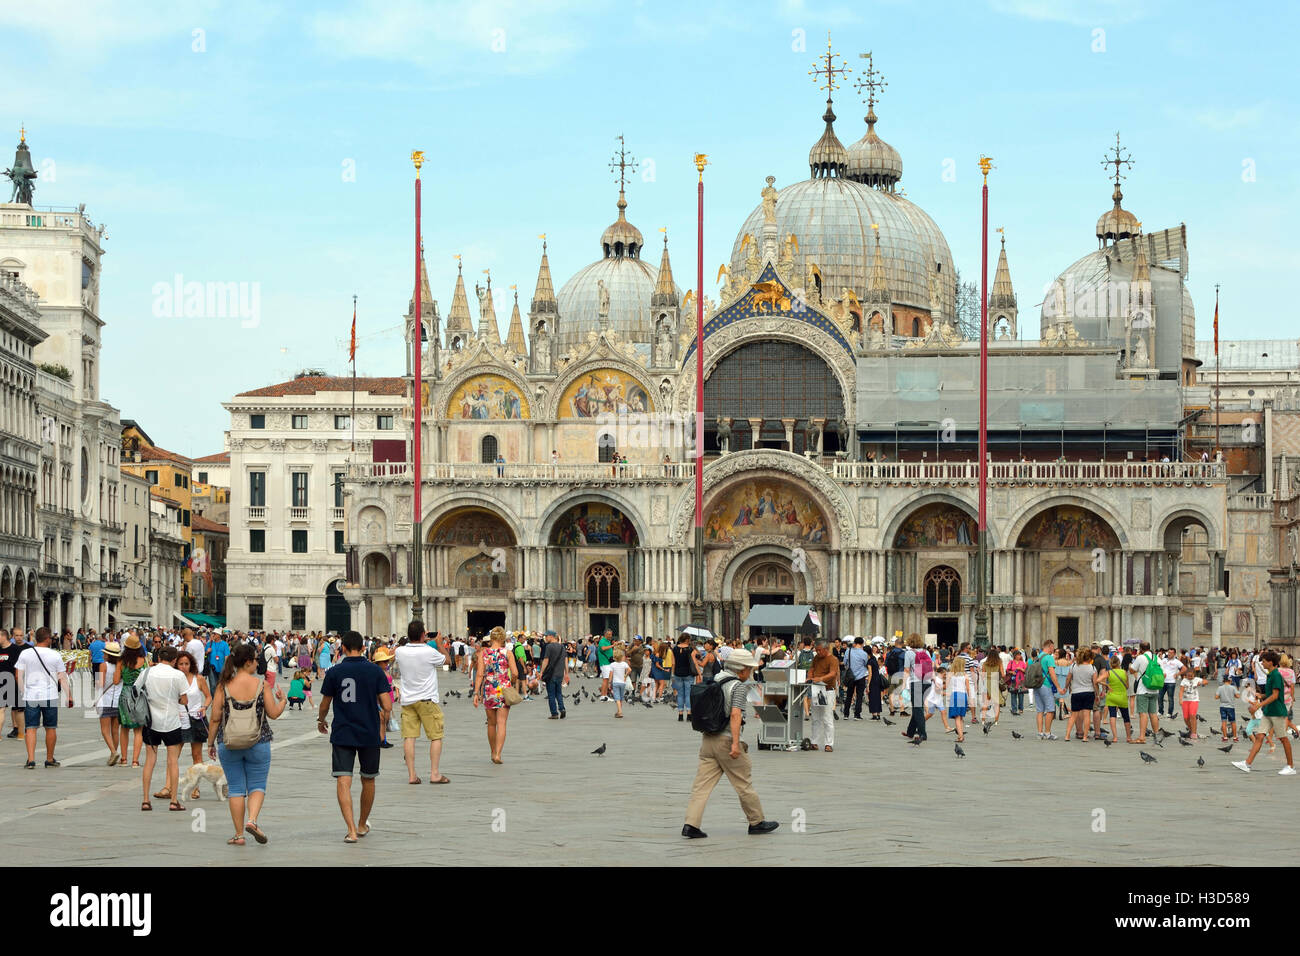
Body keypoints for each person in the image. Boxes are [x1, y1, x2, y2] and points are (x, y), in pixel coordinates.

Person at [681, 649, 779, 838]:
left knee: (701, 787)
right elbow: (735, 714)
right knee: (743, 783)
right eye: (749, 668)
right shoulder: (738, 687)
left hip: (708, 739)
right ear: (741, 669)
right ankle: (756, 821)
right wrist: (736, 743)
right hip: (727, 740)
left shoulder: (716, 679)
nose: (750, 672)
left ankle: (690, 824)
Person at [318, 630, 393, 843]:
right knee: (368, 779)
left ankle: (350, 830)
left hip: (343, 731)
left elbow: (325, 704)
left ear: (342, 648)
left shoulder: (334, 672)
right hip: (369, 732)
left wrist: (320, 720)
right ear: (362, 648)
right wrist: (383, 720)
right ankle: (361, 824)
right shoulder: (375, 672)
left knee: (343, 780)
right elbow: (387, 704)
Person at [209, 644, 287, 846]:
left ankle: (239, 834)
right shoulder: (262, 685)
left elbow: (215, 718)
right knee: (257, 785)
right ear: (248, 662)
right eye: (255, 659)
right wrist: (283, 701)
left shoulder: (223, 685)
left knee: (235, 788)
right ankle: (252, 821)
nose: (257, 662)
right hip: (259, 741)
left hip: (229, 742)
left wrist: (210, 743)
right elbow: (274, 713)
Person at [394, 620, 450, 784]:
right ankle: (434, 774)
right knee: (435, 736)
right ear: (423, 634)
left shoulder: (400, 652)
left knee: (409, 737)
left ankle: (412, 775)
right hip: (427, 700)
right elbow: (448, 661)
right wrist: (439, 644)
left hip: (408, 700)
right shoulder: (428, 651)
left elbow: (399, 651)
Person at [140, 645, 190, 812]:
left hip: (150, 722)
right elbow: (184, 700)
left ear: (159, 657)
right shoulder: (178, 675)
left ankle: (146, 800)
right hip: (171, 722)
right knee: (172, 761)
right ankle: (174, 800)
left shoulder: (147, 672)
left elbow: (135, 690)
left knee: (149, 760)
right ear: (175, 660)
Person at [15, 627, 71, 769]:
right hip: (49, 696)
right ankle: (49, 758)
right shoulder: (55, 655)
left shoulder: (25, 653)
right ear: (47, 639)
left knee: (31, 728)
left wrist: (23, 691)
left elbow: (18, 675)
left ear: (36, 638)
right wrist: (69, 695)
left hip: (31, 696)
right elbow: (62, 677)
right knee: (50, 728)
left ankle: (31, 760)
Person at [1233, 650, 1296, 775]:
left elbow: (1275, 695)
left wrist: (1258, 705)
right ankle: (1247, 763)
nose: (1262, 663)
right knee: (1260, 736)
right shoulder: (1270, 674)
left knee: (1283, 739)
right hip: (1268, 712)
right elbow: (1269, 694)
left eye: (1264, 661)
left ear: (1271, 662)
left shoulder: (1276, 675)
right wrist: (1259, 695)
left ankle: (1290, 766)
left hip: (1277, 712)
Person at [473, 625, 519, 764]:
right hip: (503, 690)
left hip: (489, 690)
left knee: (491, 724)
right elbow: (516, 673)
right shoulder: (507, 653)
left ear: (491, 638)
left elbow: (480, 674)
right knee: (502, 723)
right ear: (503, 638)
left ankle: (492, 751)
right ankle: (498, 754)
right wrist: (510, 681)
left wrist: (476, 693)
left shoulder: (484, 653)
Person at [174, 651, 212, 799]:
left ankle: (196, 788)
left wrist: (205, 707)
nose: (184, 667)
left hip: (196, 719)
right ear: (176, 665)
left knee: (197, 755)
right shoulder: (174, 679)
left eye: (186, 664)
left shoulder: (199, 679)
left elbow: (209, 696)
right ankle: (170, 786)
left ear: (191, 665)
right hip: (179, 719)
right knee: (174, 754)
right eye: (181, 664)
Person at [806, 641, 839, 751]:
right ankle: (814, 742)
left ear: (826, 649)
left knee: (827, 717)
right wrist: (810, 676)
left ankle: (828, 743)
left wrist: (820, 678)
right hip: (816, 689)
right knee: (815, 717)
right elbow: (811, 669)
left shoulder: (833, 659)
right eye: (816, 650)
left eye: (820, 650)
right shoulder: (816, 658)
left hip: (828, 690)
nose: (818, 652)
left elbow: (833, 673)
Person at [1128, 641, 1162, 743]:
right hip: (1155, 689)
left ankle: (1142, 737)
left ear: (1141, 649)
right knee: (1153, 713)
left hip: (1143, 689)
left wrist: (1131, 664)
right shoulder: (1157, 658)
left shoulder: (1140, 658)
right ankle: (1157, 736)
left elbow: (1132, 670)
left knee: (1143, 714)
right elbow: (1163, 673)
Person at [903, 633, 934, 742]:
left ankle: (922, 733)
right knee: (918, 708)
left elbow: (907, 670)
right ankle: (910, 731)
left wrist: (903, 685)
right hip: (927, 682)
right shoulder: (926, 652)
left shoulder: (909, 653)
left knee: (917, 708)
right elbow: (931, 667)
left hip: (916, 682)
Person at [1063, 648, 1096, 742]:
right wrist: (1097, 694)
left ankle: (1067, 735)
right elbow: (1095, 683)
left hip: (1076, 692)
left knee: (1073, 715)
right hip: (1089, 692)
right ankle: (1085, 737)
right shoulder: (1092, 668)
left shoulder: (1073, 666)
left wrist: (1066, 687)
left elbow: (1068, 678)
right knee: (1087, 716)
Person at [1031, 640, 1061, 740]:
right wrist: (1058, 686)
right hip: (1046, 685)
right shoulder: (1049, 658)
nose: (1054, 649)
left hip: (1037, 684)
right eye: (1053, 647)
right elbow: (1052, 674)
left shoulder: (1037, 657)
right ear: (1050, 646)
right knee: (1050, 710)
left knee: (1040, 710)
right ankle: (1047, 732)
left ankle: (1040, 733)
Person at [1104, 653, 1133, 743]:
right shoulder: (1124, 672)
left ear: (1110, 664)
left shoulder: (1108, 672)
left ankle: (1115, 737)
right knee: (1126, 717)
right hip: (1122, 697)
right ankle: (1128, 737)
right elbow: (1127, 686)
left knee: (1112, 716)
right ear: (1119, 663)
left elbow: (1098, 680)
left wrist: (1107, 685)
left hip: (1112, 696)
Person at [540, 630, 568, 719]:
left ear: (551, 636)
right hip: (560, 674)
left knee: (551, 694)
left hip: (551, 674)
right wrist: (566, 673)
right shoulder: (562, 647)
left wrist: (541, 672)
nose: (545, 638)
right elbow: (565, 660)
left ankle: (554, 713)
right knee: (558, 693)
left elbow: (546, 660)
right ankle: (562, 708)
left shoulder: (549, 647)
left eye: (546, 636)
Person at [842, 637, 870, 720]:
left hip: (851, 676)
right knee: (859, 695)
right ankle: (857, 714)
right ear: (862, 644)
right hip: (861, 676)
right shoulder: (864, 653)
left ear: (855, 643)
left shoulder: (848, 651)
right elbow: (865, 663)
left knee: (849, 695)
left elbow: (845, 662)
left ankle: (846, 714)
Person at [671, 633, 696, 721]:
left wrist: (673, 674)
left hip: (678, 673)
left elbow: (673, 663)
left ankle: (680, 714)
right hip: (688, 673)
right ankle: (689, 714)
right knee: (688, 694)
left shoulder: (675, 648)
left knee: (680, 695)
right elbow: (694, 662)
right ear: (687, 640)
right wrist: (699, 673)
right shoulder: (690, 649)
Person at [1177, 667, 1206, 739]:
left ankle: (1194, 733)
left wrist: (1201, 683)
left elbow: (1206, 681)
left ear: (1194, 675)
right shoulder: (1184, 680)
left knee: (1192, 715)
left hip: (1194, 700)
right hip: (1185, 701)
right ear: (1186, 675)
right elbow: (1181, 691)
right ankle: (1191, 730)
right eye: (1188, 675)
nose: (1190, 677)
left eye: (1191, 676)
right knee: (1186, 718)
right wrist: (1180, 699)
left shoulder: (1197, 679)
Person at [608, 648, 631, 718]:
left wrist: (609, 683)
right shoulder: (624, 664)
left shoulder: (612, 664)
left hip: (615, 682)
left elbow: (611, 674)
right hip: (622, 683)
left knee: (617, 698)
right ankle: (618, 711)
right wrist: (625, 676)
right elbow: (629, 670)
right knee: (620, 698)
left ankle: (620, 712)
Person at [1006, 649, 1027, 716]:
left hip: (1021, 681)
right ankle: (1014, 709)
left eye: (1020, 655)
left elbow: (1026, 671)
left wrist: (1020, 669)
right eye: (1018, 655)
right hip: (1013, 681)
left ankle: (1021, 708)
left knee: (1021, 695)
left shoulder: (1022, 663)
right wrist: (1012, 672)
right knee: (1013, 695)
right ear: (1015, 656)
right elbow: (1007, 670)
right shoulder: (1011, 662)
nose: (1019, 656)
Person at [597, 629, 615, 700]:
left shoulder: (607, 641)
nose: (610, 636)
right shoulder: (602, 641)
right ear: (605, 634)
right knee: (605, 679)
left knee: (607, 679)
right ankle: (603, 695)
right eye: (609, 634)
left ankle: (605, 695)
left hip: (608, 662)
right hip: (604, 662)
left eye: (611, 634)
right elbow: (603, 648)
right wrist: (612, 645)